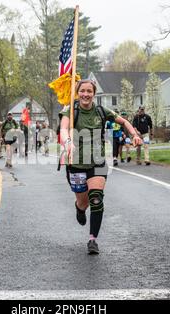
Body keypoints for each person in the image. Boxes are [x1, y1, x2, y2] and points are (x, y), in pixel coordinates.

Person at [60, 79, 143, 255]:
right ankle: (79, 209)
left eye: (89, 91)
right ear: (78, 92)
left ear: (94, 93)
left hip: (97, 163)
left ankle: (92, 239)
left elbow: (124, 122)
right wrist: (67, 142)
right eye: (82, 91)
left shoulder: (101, 111)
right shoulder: (70, 110)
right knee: (83, 202)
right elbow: (64, 129)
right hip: (75, 164)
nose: (85, 94)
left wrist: (134, 134)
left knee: (96, 198)